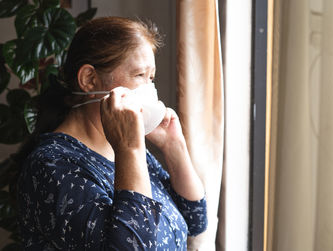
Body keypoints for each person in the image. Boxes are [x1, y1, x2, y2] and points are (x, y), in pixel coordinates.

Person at [17, 16, 207, 250]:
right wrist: (130, 149)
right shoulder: (51, 166)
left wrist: (174, 146)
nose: (149, 88)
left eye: (151, 78)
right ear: (89, 79)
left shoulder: (127, 150)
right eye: (139, 75)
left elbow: (195, 219)